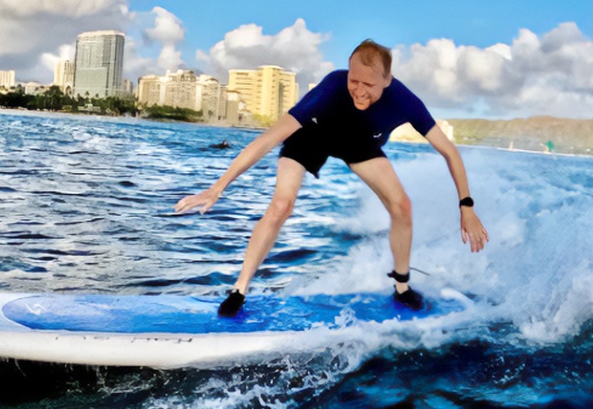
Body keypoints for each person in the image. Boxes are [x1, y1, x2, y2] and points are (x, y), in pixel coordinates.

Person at [174, 39, 489, 316]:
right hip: (312, 136)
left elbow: (449, 152)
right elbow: (267, 140)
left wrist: (467, 206)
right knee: (281, 205)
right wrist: (218, 187)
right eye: (354, 80)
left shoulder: (406, 102)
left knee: (402, 206)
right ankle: (240, 289)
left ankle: (402, 288)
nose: (359, 90)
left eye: (369, 85)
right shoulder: (331, 88)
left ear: (388, 80)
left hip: (360, 143)